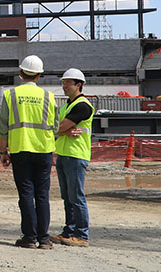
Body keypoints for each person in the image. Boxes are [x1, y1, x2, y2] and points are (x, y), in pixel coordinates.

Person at [0, 55, 58, 249]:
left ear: (21, 73)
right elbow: (55, 126)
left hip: (20, 149)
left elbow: (3, 126)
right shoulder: (49, 97)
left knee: (25, 194)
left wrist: (2, 151)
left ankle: (29, 237)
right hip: (44, 150)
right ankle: (44, 239)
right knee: (42, 195)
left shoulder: (11, 95)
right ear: (39, 76)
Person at [52, 68, 95, 247]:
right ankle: (69, 231)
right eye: (63, 82)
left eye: (68, 83)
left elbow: (59, 126)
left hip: (76, 155)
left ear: (78, 85)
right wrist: (61, 130)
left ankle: (81, 235)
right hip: (63, 153)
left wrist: (61, 129)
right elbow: (58, 127)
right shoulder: (66, 106)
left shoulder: (82, 106)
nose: (64, 86)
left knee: (76, 197)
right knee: (67, 197)